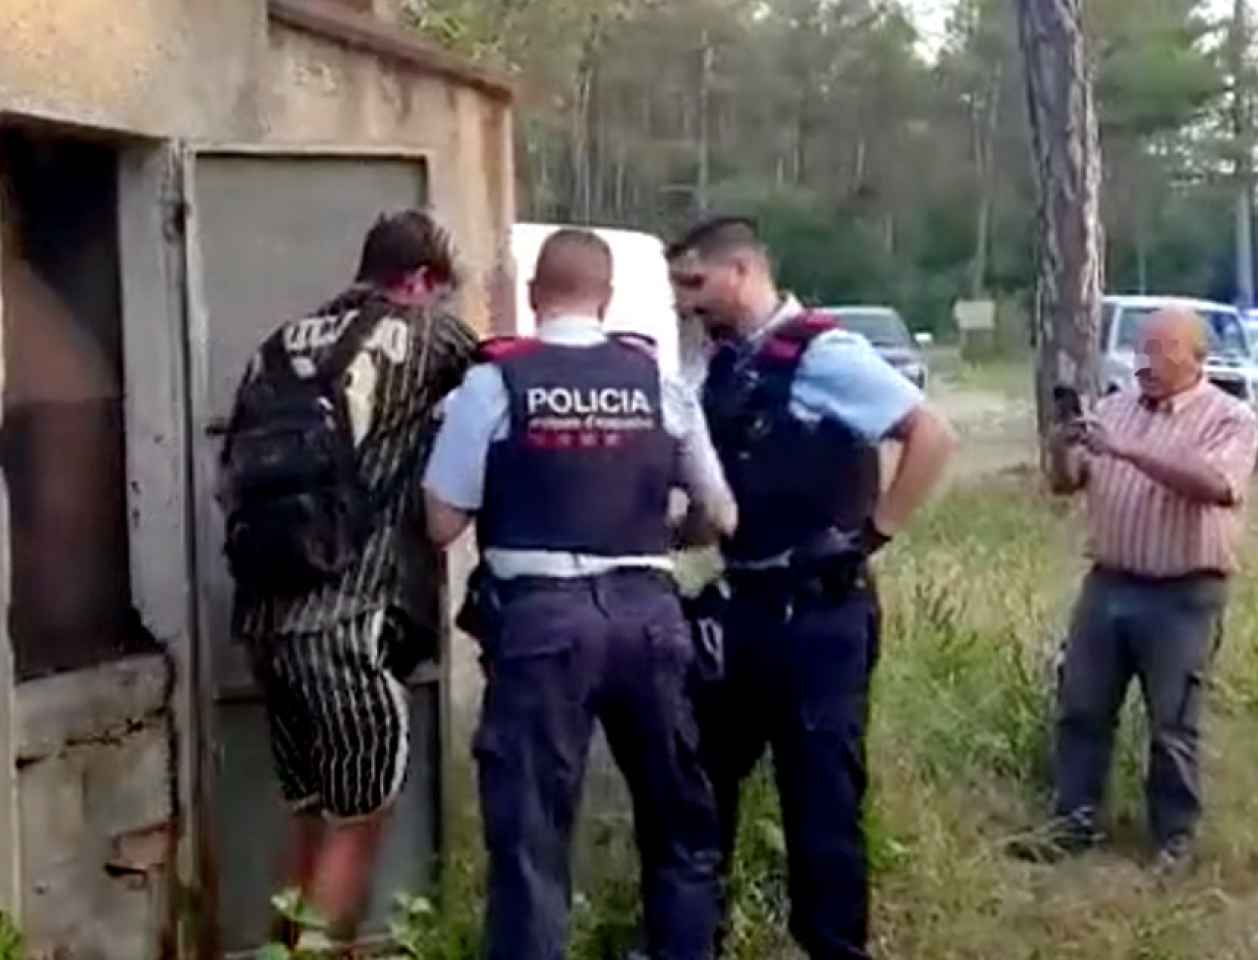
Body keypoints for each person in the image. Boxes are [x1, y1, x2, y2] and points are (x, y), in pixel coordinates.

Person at [423, 228, 736, 960]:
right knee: (679, 823)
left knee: (532, 836)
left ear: (534, 299)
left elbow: (441, 521)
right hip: (651, 617)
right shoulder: (658, 382)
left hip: (541, 623)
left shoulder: (494, 382)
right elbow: (720, 514)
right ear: (607, 297)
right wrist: (664, 535)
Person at [668, 216, 955, 960]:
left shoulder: (824, 352)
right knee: (702, 790)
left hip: (818, 618)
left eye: (695, 283)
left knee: (820, 805)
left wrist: (874, 537)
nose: (686, 302)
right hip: (742, 609)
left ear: (740, 271)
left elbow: (931, 436)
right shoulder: (725, 365)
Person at [220, 210, 477, 944]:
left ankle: (282, 950)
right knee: (360, 820)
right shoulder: (426, 334)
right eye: (441, 291)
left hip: (265, 626)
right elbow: (508, 378)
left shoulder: (275, 347)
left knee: (306, 814)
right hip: (350, 624)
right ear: (420, 280)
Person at [1010, 305, 1258, 874]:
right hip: (1109, 580)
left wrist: (1125, 450)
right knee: (1082, 706)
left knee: (1172, 721)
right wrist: (1066, 447)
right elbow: (1066, 483)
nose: (1145, 361)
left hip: (1183, 591)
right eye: (1142, 347)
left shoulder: (1230, 418)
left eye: (1161, 349)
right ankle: (1073, 819)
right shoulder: (1115, 407)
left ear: (1197, 357)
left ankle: (1174, 837)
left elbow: (1217, 486)